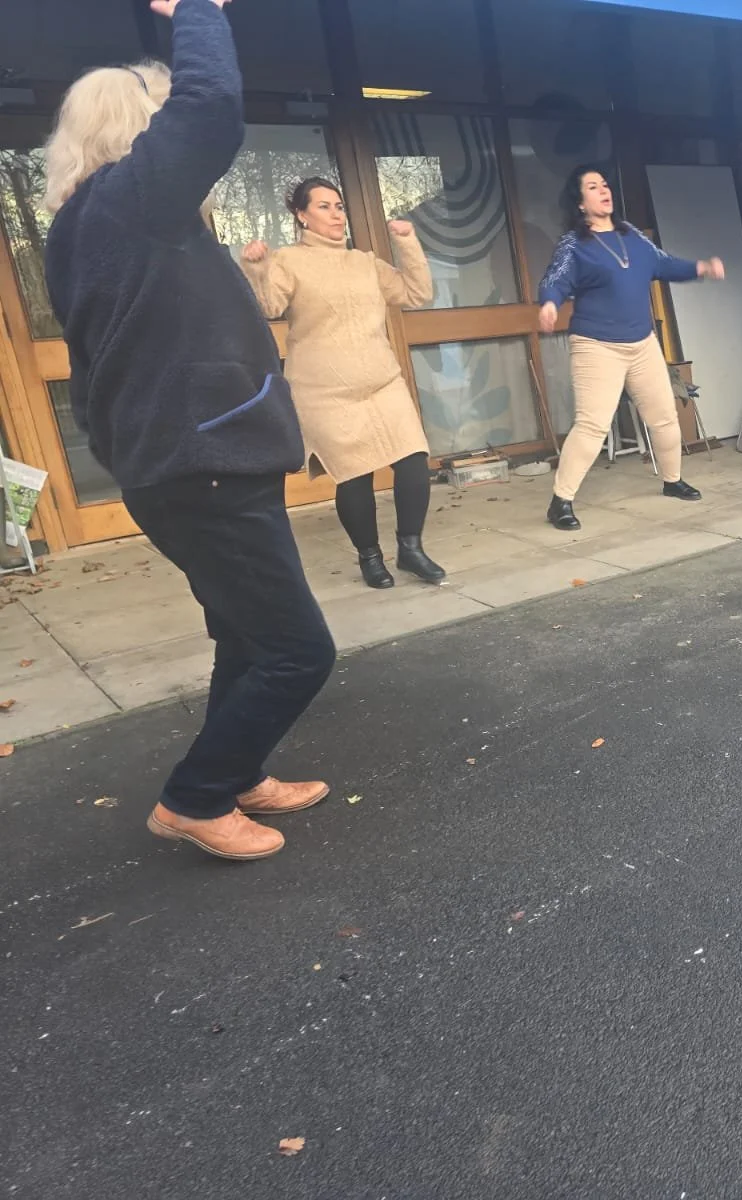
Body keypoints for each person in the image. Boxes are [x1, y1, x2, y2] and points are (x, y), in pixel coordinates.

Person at [43, 0, 336, 862]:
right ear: (137, 132)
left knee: (243, 632)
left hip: (190, 462)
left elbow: (96, 371)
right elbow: (208, 111)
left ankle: (236, 770)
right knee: (297, 651)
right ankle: (196, 796)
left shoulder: (88, 227)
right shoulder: (129, 205)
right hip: (202, 464)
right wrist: (197, 13)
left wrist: (130, 450)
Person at [241, 178, 444, 589]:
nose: (336, 214)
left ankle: (411, 548)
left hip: (382, 382)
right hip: (324, 391)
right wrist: (257, 268)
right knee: (354, 475)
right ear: (301, 215)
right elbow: (269, 306)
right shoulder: (288, 261)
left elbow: (416, 293)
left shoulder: (364, 262)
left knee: (412, 460)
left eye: (338, 206)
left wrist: (407, 243)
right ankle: (370, 557)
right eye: (324, 207)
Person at [536, 165, 724, 531]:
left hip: (641, 343)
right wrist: (549, 303)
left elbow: (665, 264)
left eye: (605, 184)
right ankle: (560, 501)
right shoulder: (575, 244)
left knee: (664, 416)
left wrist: (700, 267)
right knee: (592, 425)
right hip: (596, 346)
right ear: (580, 203)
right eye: (593, 187)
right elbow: (554, 279)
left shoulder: (631, 236)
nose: (604, 190)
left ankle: (672, 480)